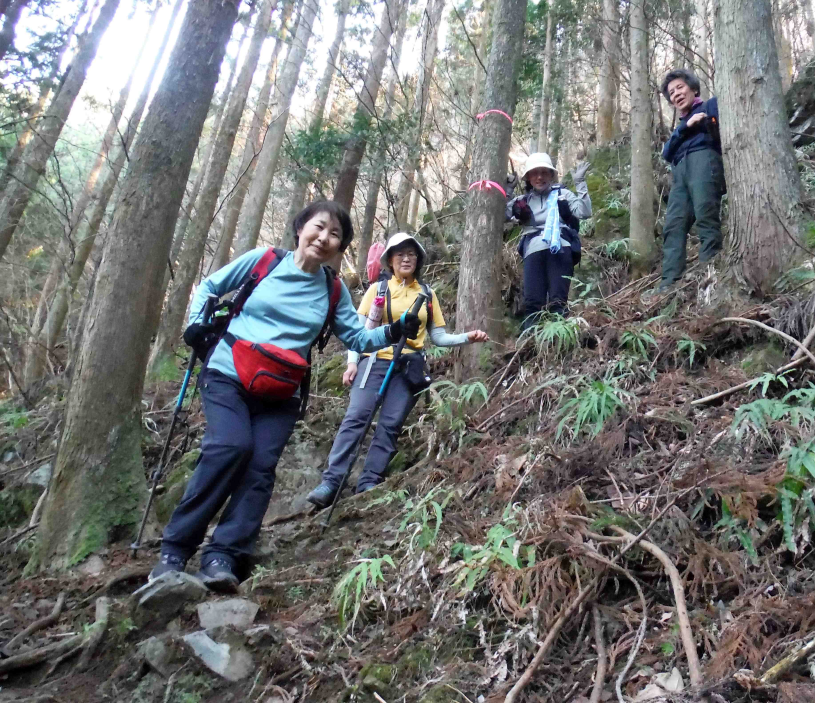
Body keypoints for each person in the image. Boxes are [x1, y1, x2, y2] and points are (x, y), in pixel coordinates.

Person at [153, 202, 419, 592]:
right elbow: (210, 287)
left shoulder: (332, 289)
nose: (324, 238)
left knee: (260, 468)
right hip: (228, 373)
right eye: (319, 227)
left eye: (335, 235)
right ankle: (175, 549)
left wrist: (395, 331)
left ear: (340, 247)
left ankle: (223, 555)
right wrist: (196, 324)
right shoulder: (264, 260)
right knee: (230, 446)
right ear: (300, 228)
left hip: (282, 390)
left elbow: (359, 338)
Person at [307, 233, 488, 504]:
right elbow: (357, 332)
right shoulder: (377, 290)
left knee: (390, 425)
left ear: (418, 260)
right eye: (400, 254)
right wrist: (352, 363)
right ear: (390, 260)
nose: (406, 258)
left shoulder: (427, 294)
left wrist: (466, 338)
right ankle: (332, 481)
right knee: (356, 418)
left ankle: (369, 482)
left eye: (412, 254)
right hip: (375, 361)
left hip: (409, 366)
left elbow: (438, 337)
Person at [657, 69, 726, 293]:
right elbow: (667, 153)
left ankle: (709, 273)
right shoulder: (680, 126)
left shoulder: (710, 106)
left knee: (706, 215)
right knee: (674, 224)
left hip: (704, 161)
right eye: (671, 93)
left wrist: (704, 121)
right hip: (680, 172)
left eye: (680, 87)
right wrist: (685, 127)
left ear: (693, 88)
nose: (676, 94)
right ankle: (669, 282)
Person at [506, 153, 592, 327]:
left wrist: (580, 182)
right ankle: (530, 345)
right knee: (532, 302)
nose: (539, 177)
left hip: (561, 247)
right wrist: (507, 191)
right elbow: (501, 216)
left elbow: (584, 212)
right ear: (528, 178)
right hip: (533, 251)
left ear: (551, 175)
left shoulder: (563, 194)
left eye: (544, 172)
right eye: (535, 173)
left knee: (558, 301)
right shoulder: (523, 201)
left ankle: (558, 344)